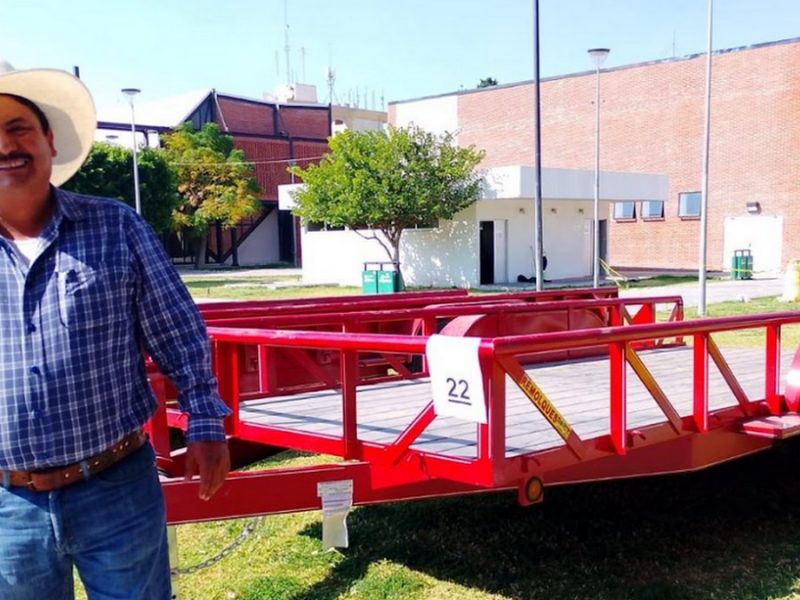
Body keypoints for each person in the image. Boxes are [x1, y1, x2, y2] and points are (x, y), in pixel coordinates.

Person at [0, 62, 232, 599]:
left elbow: (178, 332)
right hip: (8, 507)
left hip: (116, 487)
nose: (6, 146)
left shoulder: (115, 225)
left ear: (49, 140)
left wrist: (205, 422)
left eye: (18, 128)